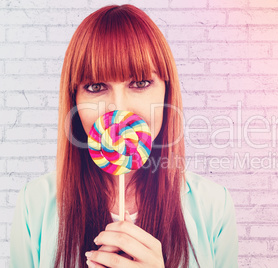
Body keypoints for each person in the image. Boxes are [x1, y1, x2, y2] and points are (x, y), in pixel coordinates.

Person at [10, 4, 238, 268]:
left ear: (167, 93)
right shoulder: (34, 204)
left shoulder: (214, 206)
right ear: (74, 101)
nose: (118, 108)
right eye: (96, 87)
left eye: (140, 83)